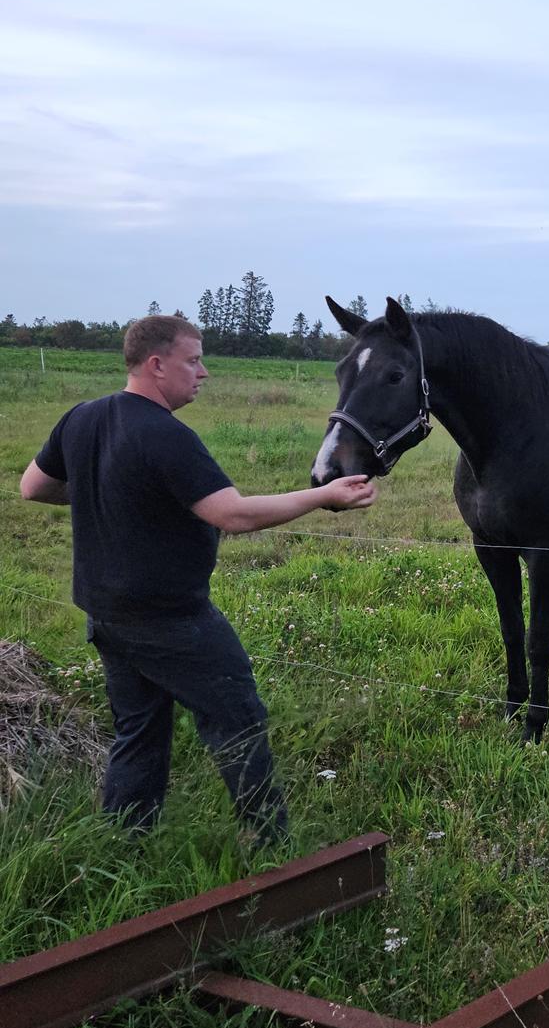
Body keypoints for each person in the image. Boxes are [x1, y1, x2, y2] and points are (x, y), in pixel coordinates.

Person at [19, 314, 376, 843]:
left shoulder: (82, 418)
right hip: (170, 619)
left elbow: (34, 487)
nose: (204, 372)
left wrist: (116, 487)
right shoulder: (166, 435)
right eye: (193, 360)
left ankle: (123, 842)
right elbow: (235, 515)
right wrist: (324, 496)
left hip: (106, 614)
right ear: (157, 365)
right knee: (239, 719)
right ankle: (269, 846)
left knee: (137, 731)